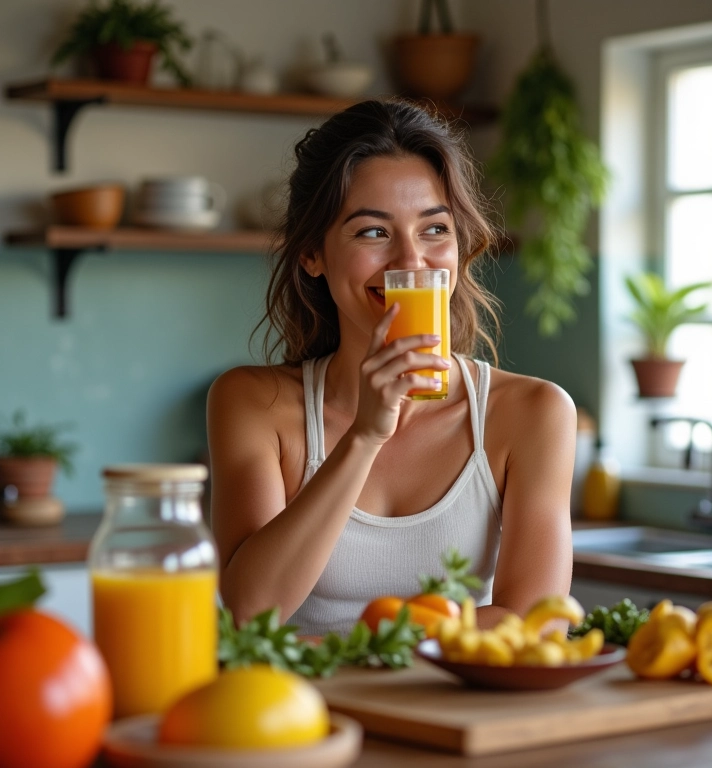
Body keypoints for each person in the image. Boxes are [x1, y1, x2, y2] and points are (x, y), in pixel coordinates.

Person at [207, 98, 576, 635]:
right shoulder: (252, 403)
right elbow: (248, 615)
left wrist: (373, 635)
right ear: (311, 254)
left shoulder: (533, 412)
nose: (411, 262)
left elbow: (538, 625)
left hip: (460, 713)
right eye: (373, 233)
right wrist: (363, 437)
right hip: (302, 716)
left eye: (434, 230)